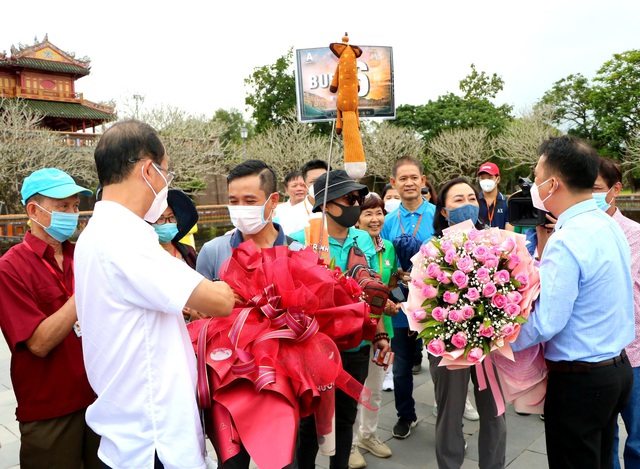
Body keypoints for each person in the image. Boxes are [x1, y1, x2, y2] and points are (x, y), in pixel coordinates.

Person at [74, 119, 235, 469]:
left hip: (129, 432)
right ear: (148, 169)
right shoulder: (125, 238)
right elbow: (218, 301)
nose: (165, 183)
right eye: (165, 173)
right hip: (152, 443)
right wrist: (226, 285)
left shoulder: (95, 233)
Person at [512, 136, 634, 468]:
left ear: (553, 184)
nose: (533, 186)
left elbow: (548, 322)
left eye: (536, 177)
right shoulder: (608, 224)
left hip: (581, 383)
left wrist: (495, 339)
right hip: (616, 370)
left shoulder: (568, 239)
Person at [0, 168, 101, 468]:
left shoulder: (82, 255)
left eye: (75, 206)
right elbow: (39, 343)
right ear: (34, 210)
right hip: (51, 411)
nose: (73, 213)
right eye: (63, 207)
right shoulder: (10, 268)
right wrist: (84, 290)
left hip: (100, 401)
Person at [291, 169, 390, 469]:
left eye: (358, 198)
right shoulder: (301, 240)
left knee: (346, 418)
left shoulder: (363, 237)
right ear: (325, 203)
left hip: (355, 346)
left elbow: (375, 295)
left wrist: (380, 335)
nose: (355, 204)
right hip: (313, 349)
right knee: (308, 422)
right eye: (349, 198)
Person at [429, 177, 507, 469]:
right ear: (445, 211)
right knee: (450, 415)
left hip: (490, 342)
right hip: (448, 345)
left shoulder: (497, 243)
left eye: (472, 199)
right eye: (458, 200)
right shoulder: (432, 249)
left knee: (495, 413)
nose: (467, 204)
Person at [379, 155, 437, 439]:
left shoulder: (437, 214)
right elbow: (383, 260)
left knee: (441, 366)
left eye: (414, 177)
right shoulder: (388, 221)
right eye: (403, 178)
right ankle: (406, 414)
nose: (409, 183)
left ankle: (450, 418)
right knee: (401, 365)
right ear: (393, 183)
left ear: (423, 181)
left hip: (436, 304)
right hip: (401, 303)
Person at [594, 158, 640, 469]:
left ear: (616, 189)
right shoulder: (572, 232)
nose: (589, 197)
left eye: (595, 189)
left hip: (635, 355)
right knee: (603, 441)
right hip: (595, 357)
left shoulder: (636, 235)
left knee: (637, 439)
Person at [349, 193, 398, 468]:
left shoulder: (388, 247)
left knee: (375, 387)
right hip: (357, 329)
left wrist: (392, 303)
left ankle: (369, 435)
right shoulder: (351, 246)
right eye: (368, 213)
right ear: (356, 217)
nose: (375, 218)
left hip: (384, 329)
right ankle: (351, 442)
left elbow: (388, 284)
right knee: (354, 389)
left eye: (379, 212)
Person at [197, 159, 302, 283]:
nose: (241, 208)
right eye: (234, 201)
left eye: (250, 201)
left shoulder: (298, 253)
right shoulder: (212, 252)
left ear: (273, 200)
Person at [275, 160, 328, 235]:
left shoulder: (340, 209)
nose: (320, 185)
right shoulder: (290, 214)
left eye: (324, 180)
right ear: (305, 185)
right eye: (313, 181)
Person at [153, 189, 199, 268]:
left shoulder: (188, 251)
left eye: (171, 217)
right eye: (160, 219)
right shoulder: (146, 255)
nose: (168, 223)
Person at [477, 162, 513, 230]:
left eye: (490, 178)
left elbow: (509, 233)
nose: (486, 181)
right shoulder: (475, 201)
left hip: (502, 240)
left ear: (498, 179)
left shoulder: (507, 202)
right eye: (482, 178)